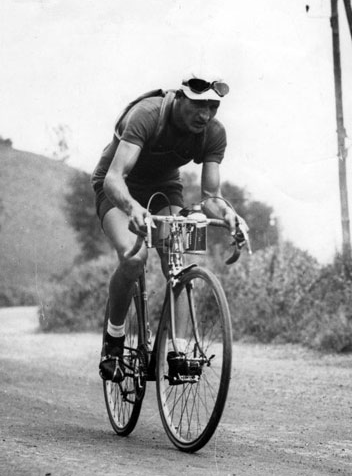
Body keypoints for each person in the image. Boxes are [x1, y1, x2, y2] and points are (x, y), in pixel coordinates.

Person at [91, 72, 247, 382]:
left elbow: (211, 197)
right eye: (198, 106)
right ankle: (114, 340)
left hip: (165, 188)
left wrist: (230, 214)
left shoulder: (213, 133)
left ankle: (179, 350)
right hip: (119, 188)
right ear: (179, 97)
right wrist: (132, 207)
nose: (205, 115)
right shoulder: (147, 115)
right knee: (134, 258)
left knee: (179, 262)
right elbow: (113, 177)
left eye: (213, 108)